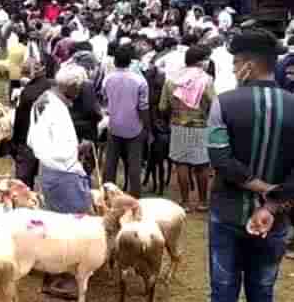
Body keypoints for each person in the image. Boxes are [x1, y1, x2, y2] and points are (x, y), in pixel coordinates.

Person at [206, 29, 294, 302]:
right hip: (276, 218)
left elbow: (220, 159)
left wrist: (262, 188)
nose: (233, 70)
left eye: (235, 64)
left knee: (223, 290)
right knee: (262, 291)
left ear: (248, 66)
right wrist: (272, 201)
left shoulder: (223, 103)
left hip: (228, 212)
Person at [28, 64, 93, 300]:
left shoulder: (45, 100)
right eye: (80, 88)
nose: (80, 93)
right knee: (70, 228)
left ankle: (54, 276)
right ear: (73, 87)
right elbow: (63, 151)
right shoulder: (53, 108)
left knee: (56, 225)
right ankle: (61, 280)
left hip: (50, 171)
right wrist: (79, 149)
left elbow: (33, 140)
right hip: (62, 173)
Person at [159, 45, 215, 213]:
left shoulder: (172, 80)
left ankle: (184, 202)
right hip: (201, 126)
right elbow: (214, 104)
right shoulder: (207, 80)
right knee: (202, 165)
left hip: (178, 125)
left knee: (181, 164)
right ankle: (203, 202)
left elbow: (162, 106)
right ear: (200, 62)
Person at [103, 44, 151, 198]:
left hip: (114, 125)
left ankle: (107, 196)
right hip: (134, 127)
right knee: (134, 165)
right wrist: (147, 128)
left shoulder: (108, 79)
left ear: (115, 61)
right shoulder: (139, 81)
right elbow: (143, 107)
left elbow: (105, 100)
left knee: (110, 164)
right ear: (130, 61)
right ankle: (135, 198)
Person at [11, 57, 53, 189]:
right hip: (47, 137)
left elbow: (20, 119)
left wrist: (16, 141)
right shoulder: (51, 86)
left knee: (23, 179)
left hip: (28, 137)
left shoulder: (28, 92)